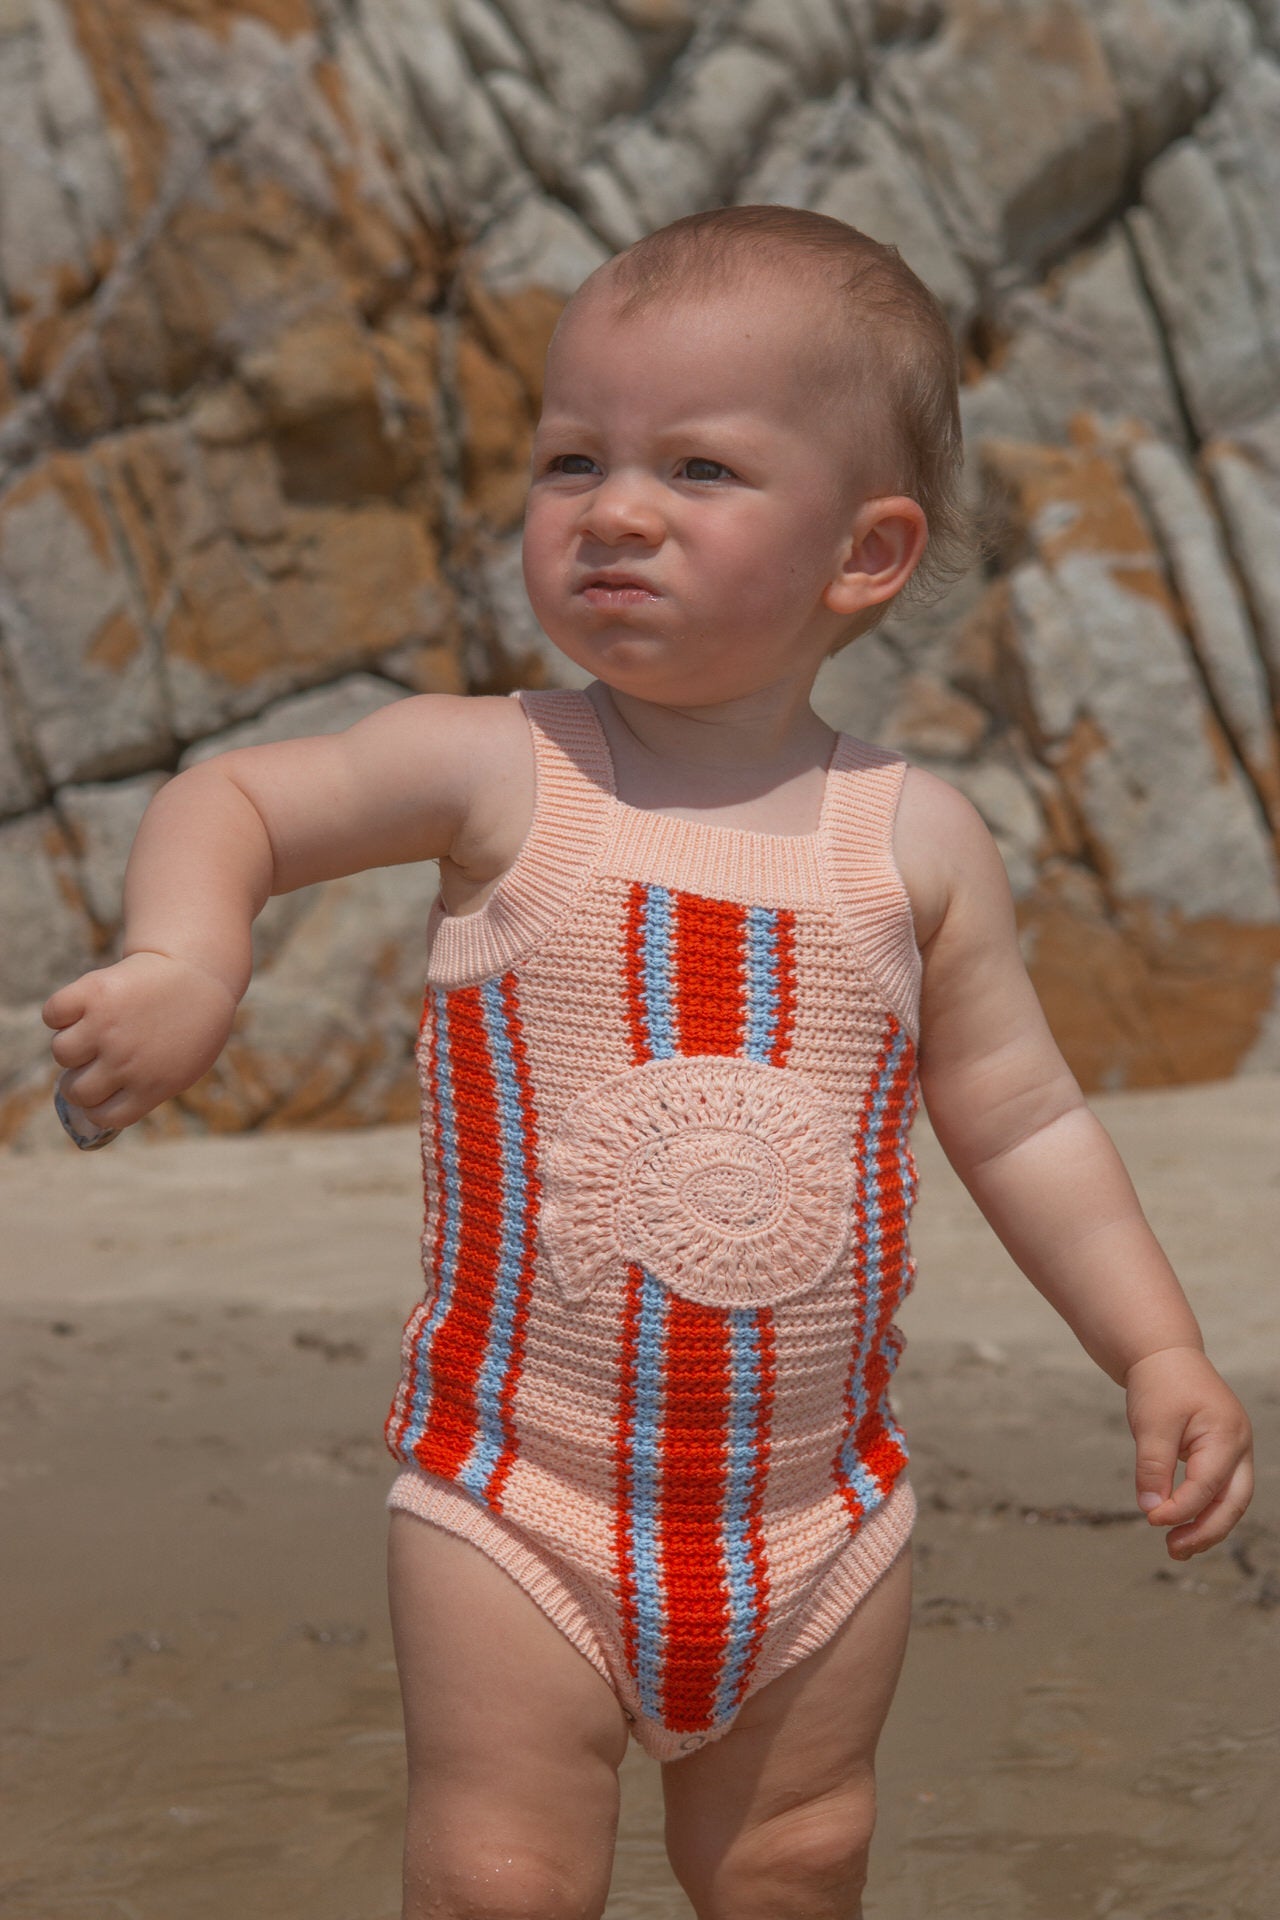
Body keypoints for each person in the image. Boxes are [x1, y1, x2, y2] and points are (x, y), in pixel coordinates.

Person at [42, 206, 1253, 1920]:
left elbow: (1027, 1117)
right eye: (568, 461)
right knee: (498, 1878)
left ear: (868, 551)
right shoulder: (499, 770)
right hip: (516, 1498)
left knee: (800, 1857)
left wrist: (1157, 1347)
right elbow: (234, 800)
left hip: (817, 1523)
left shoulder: (912, 838)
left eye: (696, 468)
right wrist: (189, 956)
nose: (612, 509)